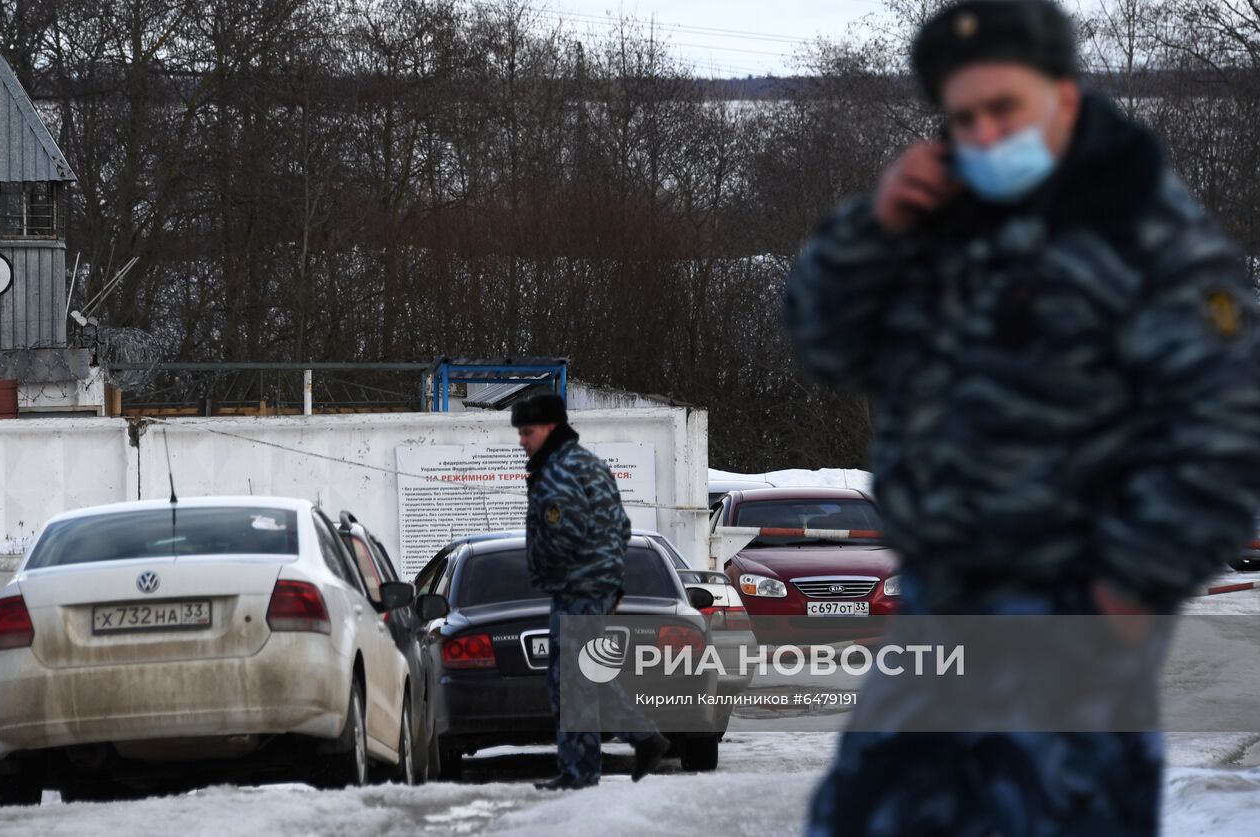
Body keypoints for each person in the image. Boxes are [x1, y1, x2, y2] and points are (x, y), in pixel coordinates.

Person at [783, 0, 1260, 833]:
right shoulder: (944, 233)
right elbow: (830, 347)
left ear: (1064, 98)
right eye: (965, 117)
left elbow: (1226, 430)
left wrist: (1127, 589)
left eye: (1005, 107)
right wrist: (876, 226)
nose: (987, 132)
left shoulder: (1148, 236)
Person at [512, 392, 671, 790]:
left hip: (577, 584)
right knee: (576, 677)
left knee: (574, 678)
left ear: (550, 428)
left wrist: (547, 569)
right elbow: (621, 526)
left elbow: (563, 530)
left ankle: (607, 757)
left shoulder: (559, 470)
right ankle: (596, 760)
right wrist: (612, 581)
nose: (522, 440)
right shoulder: (589, 464)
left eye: (527, 432)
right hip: (593, 582)